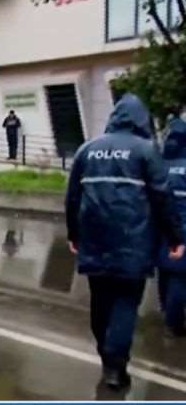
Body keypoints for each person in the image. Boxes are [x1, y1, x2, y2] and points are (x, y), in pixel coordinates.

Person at [65, 94, 184, 390]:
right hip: (134, 242)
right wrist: (175, 237)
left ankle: (107, 357)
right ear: (142, 120)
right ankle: (115, 368)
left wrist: (73, 234)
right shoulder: (146, 150)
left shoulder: (87, 149)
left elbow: (72, 198)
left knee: (100, 301)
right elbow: (162, 196)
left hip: (94, 240)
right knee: (125, 304)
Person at [158, 117, 186, 337]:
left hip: (160, 228)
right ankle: (174, 323)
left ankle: (166, 311)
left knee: (166, 270)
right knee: (179, 275)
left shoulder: (159, 164)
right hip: (183, 228)